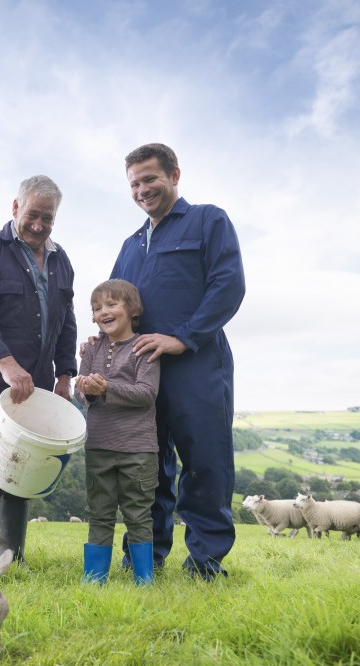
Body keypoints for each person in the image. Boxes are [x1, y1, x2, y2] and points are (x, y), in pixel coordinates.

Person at [111, 143, 245, 580]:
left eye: (150, 178)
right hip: (141, 371)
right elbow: (115, 302)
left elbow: (228, 286)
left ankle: (205, 564)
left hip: (197, 366)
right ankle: (144, 559)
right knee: (146, 467)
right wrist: (105, 339)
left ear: (174, 175)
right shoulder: (130, 244)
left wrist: (182, 339)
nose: (142, 189)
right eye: (134, 183)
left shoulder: (209, 220)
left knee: (205, 461)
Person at [0, 174, 78, 566]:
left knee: (23, 467)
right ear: (15, 208)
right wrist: (6, 364)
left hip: (37, 385)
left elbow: (67, 320)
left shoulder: (62, 262)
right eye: (33, 215)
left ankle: (14, 557)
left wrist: (64, 375)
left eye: (48, 218)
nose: (39, 225)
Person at [75, 279, 160, 586]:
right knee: (99, 513)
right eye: (97, 308)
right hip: (98, 445)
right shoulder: (92, 348)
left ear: (132, 309)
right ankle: (94, 580)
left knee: (138, 516)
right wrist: (86, 390)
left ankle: (144, 581)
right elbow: (80, 393)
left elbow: (147, 393)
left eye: (111, 305)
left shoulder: (144, 347)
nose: (103, 312)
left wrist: (108, 387)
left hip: (138, 449)